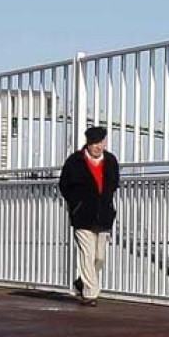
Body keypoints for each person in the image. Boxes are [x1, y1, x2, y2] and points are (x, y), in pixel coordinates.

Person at [58, 126, 120, 307]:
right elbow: (64, 185)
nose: (98, 147)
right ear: (88, 144)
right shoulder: (74, 161)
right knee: (87, 253)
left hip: (103, 215)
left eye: (101, 143)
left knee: (99, 257)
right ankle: (90, 294)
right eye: (95, 143)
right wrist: (75, 204)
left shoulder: (111, 161)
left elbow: (114, 185)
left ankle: (81, 282)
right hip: (83, 216)